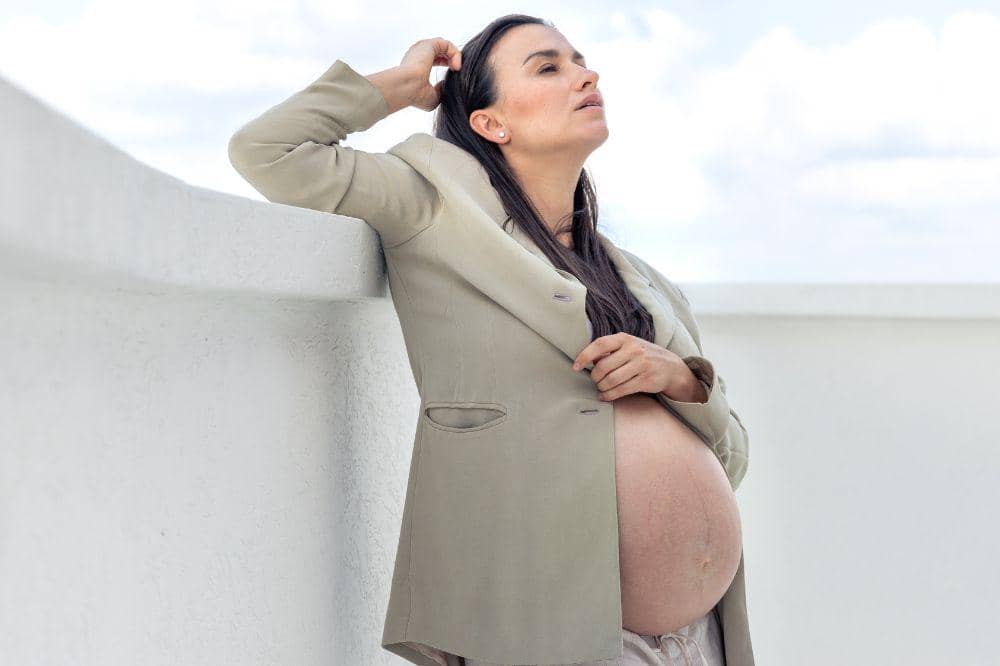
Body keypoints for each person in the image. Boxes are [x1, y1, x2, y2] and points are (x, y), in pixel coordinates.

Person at [229, 14, 753, 666]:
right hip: (550, 629)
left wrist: (677, 377)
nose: (585, 75)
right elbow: (267, 152)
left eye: (579, 60)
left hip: (701, 640)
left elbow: (730, 458)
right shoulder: (433, 204)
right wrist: (401, 86)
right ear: (490, 122)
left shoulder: (642, 282)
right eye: (547, 66)